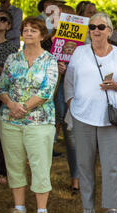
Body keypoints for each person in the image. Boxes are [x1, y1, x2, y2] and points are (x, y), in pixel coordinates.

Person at [64, 12, 117, 213]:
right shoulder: (79, 52)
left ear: (110, 31)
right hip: (82, 115)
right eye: (92, 26)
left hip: (109, 118)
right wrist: (71, 104)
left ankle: (112, 209)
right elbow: (69, 81)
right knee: (84, 163)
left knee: (111, 165)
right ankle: (88, 209)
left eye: (101, 27)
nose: (96, 30)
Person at [0, 17, 59, 213]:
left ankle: (42, 211)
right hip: (9, 120)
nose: (29, 33)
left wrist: (22, 107)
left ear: (42, 35)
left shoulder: (49, 61)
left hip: (39, 121)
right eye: (26, 29)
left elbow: (46, 91)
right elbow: (1, 87)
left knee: (40, 165)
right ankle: (19, 208)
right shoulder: (12, 59)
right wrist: (10, 105)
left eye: (34, 30)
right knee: (14, 166)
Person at [41, 4, 79, 193]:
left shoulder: (83, 44)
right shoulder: (46, 41)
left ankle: (76, 179)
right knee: (47, 134)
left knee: (71, 134)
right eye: (60, 17)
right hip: (50, 94)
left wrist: (70, 68)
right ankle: (43, 179)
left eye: (68, 17)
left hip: (72, 92)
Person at [0, 9, 19, 186]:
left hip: (1, 95)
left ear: (8, 26)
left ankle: (2, 172)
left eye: (3, 19)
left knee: (1, 136)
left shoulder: (12, 48)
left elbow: (12, 74)